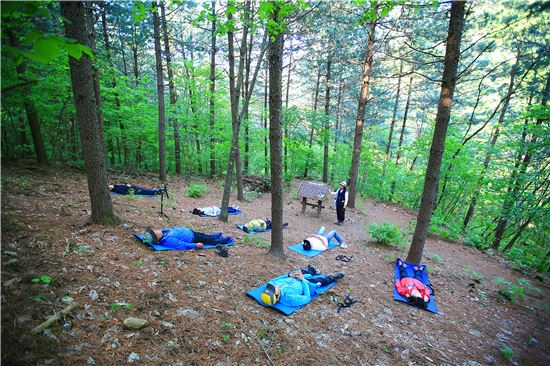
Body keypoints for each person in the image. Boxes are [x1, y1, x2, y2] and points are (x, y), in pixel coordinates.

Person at [260, 265, 344, 307]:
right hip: (305, 284)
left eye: (270, 288)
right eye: (273, 289)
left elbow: (274, 280)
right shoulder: (290, 298)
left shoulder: (270, 286)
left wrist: (289, 275)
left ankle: (312, 271)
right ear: (277, 296)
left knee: (300, 271)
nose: (273, 286)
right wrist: (303, 280)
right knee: (319, 282)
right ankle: (331, 277)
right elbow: (307, 298)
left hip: (295, 277)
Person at [142, 227, 233, 250]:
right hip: (193, 238)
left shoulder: (163, 232)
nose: (155, 229)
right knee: (209, 241)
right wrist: (195, 245)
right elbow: (182, 245)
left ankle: (216, 236)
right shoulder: (168, 241)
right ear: (157, 239)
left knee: (206, 236)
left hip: (191, 232)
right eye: (154, 232)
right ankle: (225, 240)